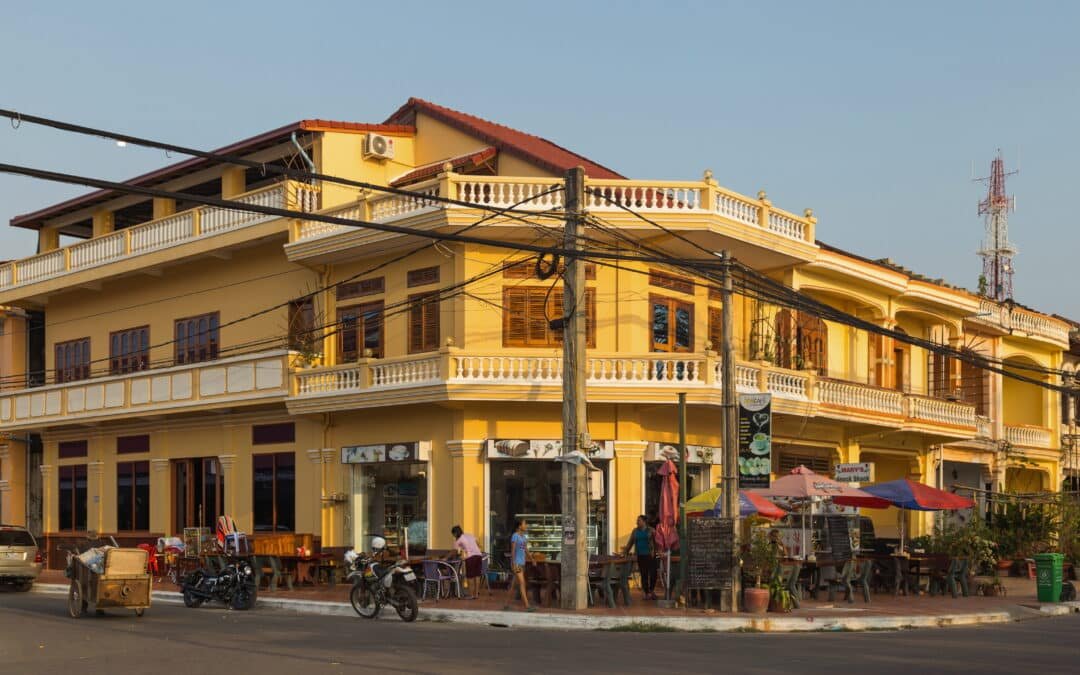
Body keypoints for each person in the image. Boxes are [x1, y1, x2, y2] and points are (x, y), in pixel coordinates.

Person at [621, 515, 658, 600]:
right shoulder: (635, 531)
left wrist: (659, 551)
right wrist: (625, 551)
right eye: (637, 520)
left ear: (644, 522)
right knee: (644, 574)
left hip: (650, 555)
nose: (637, 522)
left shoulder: (651, 530)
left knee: (653, 574)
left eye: (639, 520)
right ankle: (646, 592)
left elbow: (657, 542)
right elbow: (630, 543)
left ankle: (651, 590)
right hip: (640, 555)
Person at [504, 519, 534, 612]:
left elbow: (525, 549)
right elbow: (512, 551)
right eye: (524, 524)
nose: (526, 526)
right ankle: (527, 605)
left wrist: (532, 559)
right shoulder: (515, 536)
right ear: (519, 526)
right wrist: (513, 563)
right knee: (522, 583)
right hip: (517, 563)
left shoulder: (523, 537)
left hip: (522, 563)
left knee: (513, 585)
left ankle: (506, 604)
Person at [450, 525, 484, 600]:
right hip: (478, 556)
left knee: (470, 576)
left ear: (455, 533)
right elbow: (478, 544)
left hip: (470, 557)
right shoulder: (469, 535)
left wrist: (446, 557)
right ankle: (476, 594)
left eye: (453, 534)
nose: (453, 536)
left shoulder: (458, 540)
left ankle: (471, 595)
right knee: (477, 576)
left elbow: (454, 551)